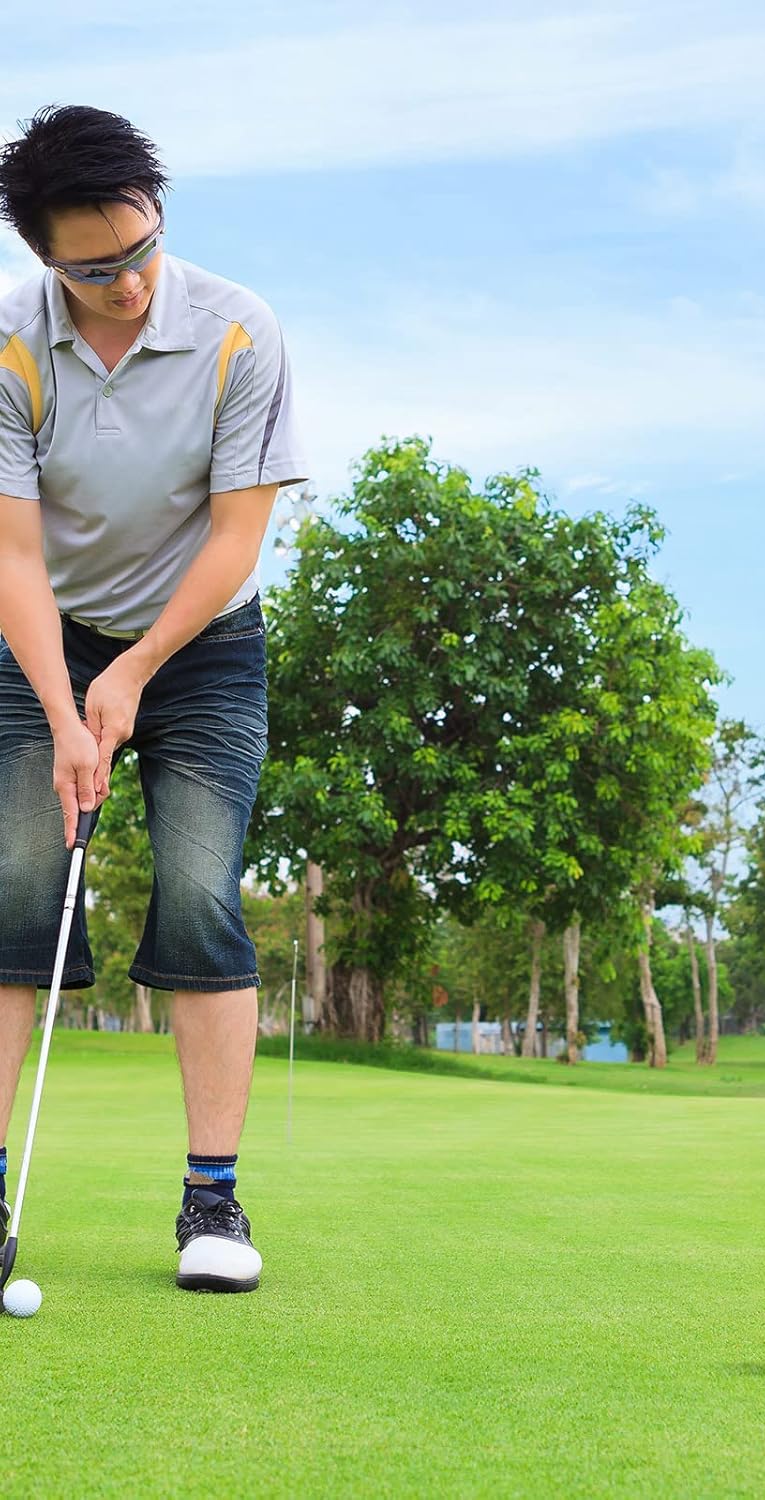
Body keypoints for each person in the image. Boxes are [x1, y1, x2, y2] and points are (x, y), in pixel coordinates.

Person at [0, 105, 309, 1292]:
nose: (126, 282)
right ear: (44, 257)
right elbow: (14, 556)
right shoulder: (11, 346)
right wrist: (64, 708)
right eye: (94, 268)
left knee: (196, 888)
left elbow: (237, 538)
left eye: (140, 250)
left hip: (206, 642)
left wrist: (132, 673)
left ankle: (212, 1203)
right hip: (46, 637)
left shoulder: (239, 331)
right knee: (17, 884)